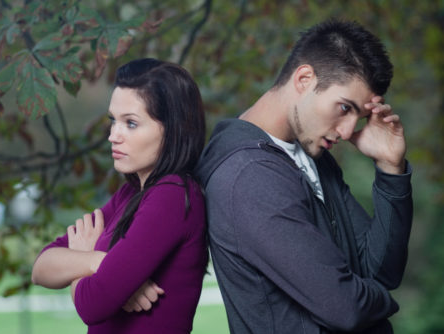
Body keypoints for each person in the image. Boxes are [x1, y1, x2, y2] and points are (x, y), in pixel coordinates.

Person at [195, 19, 413, 334]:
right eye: (344, 108)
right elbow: (345, 308)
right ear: (305, 78)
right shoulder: (248, 175)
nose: (348, 131)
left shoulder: (311, 156)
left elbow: (381, 271)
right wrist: (386, 305)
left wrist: (391, 167)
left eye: (360, 117)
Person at [32, 58, 208, 334]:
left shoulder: (173, 196)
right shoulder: (130, 193)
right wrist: (97, 261)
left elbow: (92, 306)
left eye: (131, 124)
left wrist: (81, 263)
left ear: (173, 129)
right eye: (114, 120)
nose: (114, 135)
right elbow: (41, 267)